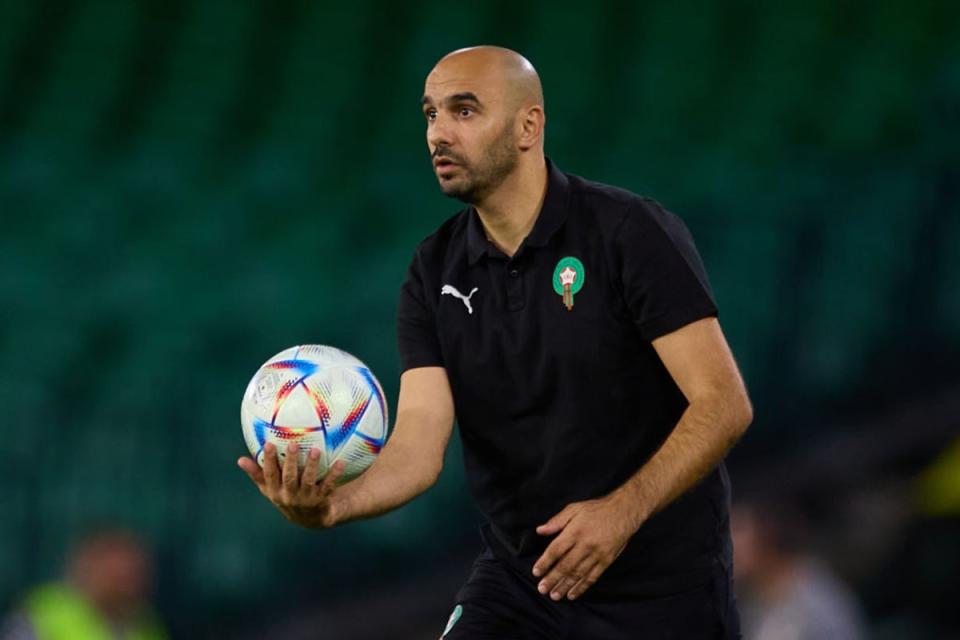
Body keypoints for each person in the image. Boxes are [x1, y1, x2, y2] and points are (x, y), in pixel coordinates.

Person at [238, 45, 753, 639]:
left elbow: (722, 403)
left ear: (528, 125)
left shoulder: (628, 234)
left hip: (663, 594)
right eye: (431, 114)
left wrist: (621, 511)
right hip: (523, 586)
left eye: (464, 111)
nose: (438, 134)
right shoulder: (434, 271)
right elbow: (418, 447)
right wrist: (332, 507)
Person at [731, 498, 867, 640]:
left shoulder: (817, 603)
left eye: (737, 529)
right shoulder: (745, 598)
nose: (728, 543)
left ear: (769, 535)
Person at [0, 529, 166, 640]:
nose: (127, 586)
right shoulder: (43, 613)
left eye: (133, 575)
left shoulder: (146, 623)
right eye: (116, 576)